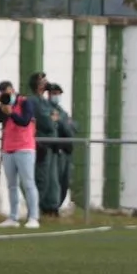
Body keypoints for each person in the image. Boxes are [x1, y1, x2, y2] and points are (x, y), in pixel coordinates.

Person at [0, 80, 40, 229]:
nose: (6, 96)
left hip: (24, 147)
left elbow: (24, 121)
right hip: (8, 148)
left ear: (12, 90)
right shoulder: (3, 105)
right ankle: (13, 216)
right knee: (12, 185)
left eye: (8, 93)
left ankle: (33, 217)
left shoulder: (24, 102)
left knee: (28, 183)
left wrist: (11, 113)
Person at [27, 72, 60, 216]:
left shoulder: (45, 101)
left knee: (51, 179)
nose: (46, 83)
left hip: (51, 144)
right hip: (41, 144)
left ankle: (48, 208)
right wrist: (52, 119)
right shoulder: (34, 101)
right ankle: (35, 211)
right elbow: (47, 121)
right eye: (42, 81)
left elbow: (56, 116)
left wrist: (53, 118)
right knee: (41, 178)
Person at [48, 83, 76, 211]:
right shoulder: (47, 109)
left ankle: (58, 206)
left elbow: (72, 129)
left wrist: (61, 121)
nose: (56, 96)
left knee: (65, 181)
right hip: (55, 151)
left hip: (66, 151)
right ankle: (52, 207)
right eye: (54, 94)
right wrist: (64, 123)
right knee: (55, 180)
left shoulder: (62, 112)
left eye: (58, 94)